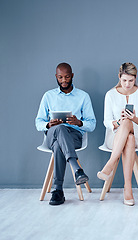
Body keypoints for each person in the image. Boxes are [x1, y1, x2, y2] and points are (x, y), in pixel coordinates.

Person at [35, 63, 96, 205]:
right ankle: (77, 169)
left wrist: (79, 122)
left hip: (74, 136)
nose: (64, 80)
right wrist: (48, 124)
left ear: (72, 76)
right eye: (60, 77)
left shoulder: (83, 96)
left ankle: (57, 191)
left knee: (58, 146)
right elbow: (38, 122)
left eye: (67, 77)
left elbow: (92, 124)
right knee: (60, 128)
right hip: (52, 134)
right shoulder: (48, 96)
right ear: (56, 77)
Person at [97, 63, 138, 206]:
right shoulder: (110, 94)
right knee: (128, 137)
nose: (127, 84)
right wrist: (119, 122)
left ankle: (110, 164)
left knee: (128, 124)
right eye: (124, 80)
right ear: (119, 77)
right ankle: (128, 189)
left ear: (135, 78)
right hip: (115, 136)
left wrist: (133, 119)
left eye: (131, 81)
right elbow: (106, 122)